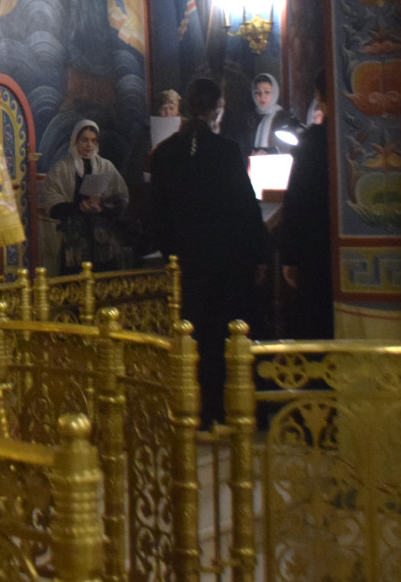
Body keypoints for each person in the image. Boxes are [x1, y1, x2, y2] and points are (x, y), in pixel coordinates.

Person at [150, 76, 267, 427]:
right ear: (217, 109)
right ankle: (231, 410)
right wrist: (260, 254)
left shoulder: (165, 153)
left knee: (195, 336)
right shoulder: (227, 151)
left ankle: (195, 412)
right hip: (230, 264)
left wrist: (175, 252)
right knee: (229, 336)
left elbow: (157, 216)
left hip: (189, 264)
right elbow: (246, 209)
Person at [278, 69, 333, 340]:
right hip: (351, 249)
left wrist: (289, 257)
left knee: (315, 320)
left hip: (314, 247)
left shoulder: (312, 142)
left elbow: (296, 200)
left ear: (319, 98)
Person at [42, 119, 131, 275]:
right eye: (85, 140)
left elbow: (122, 199)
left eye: (93, 141)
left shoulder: (106, 166)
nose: (89, 145)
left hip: (103, 238)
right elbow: (52, 204)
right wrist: (78, 207)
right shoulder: (62, 168)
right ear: (75, 141)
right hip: (74, 239)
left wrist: (102, 207)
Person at [226, 72, 294, 155]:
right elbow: (238, 145)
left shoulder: (284, 118)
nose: (262, 97)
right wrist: (250, 153)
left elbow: (289, 148)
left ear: (275, 93)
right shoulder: (246, 119)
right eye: (258, 93)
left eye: (267, 92)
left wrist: (268, 154)